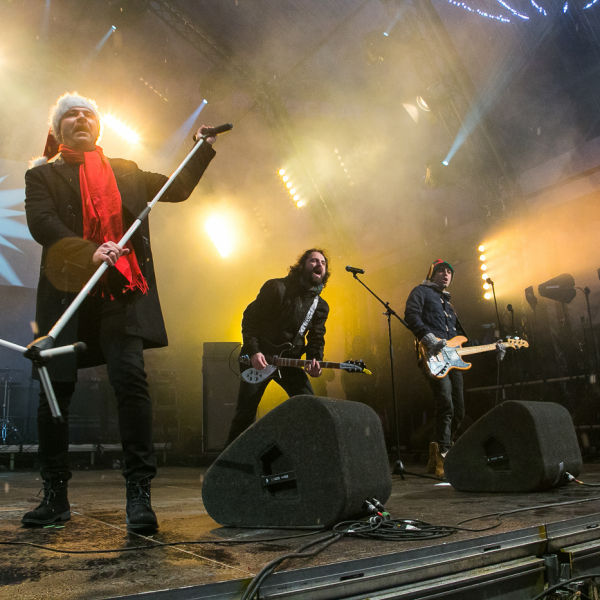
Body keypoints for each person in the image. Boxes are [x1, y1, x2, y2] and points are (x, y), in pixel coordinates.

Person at [22, 92, 217, 531]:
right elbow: (42, 223)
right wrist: (88, 251)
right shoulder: (42, 174)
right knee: (55, 391)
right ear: (57, 128)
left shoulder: (125, 170)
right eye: (71, 114)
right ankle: (54, 495)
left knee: (130, 383)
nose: (81, 119)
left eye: (88, 113)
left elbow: (177, 188)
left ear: (98, 126)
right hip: (67, 295)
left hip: (120, 293)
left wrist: (201, 149)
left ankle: (139, 495)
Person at [227, 249, 330, 443]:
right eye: (314, 261)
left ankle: (307, 453)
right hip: (261, 359)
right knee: (245, 415)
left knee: (309, 408)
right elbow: (250, 319)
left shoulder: (320, 305)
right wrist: (254, 351)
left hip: (289, 362)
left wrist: (315, 360)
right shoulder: (276, 287)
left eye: (323, 263)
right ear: (302, 265)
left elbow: (316, 337)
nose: (319, 265)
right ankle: (229, 460)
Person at [404, 259, 467, 478]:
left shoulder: (449, 304)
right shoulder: (421, 291)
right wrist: (428, 338)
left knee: (459, 409)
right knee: (445, 403)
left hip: (453, 358)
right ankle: (444, 455)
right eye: (441, 271)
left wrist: (493, 346)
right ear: (432, 273)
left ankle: (436, 451)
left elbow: (460, 336)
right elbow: (411, 315)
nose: (446, 274)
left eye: (449, 272)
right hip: (433, 356)